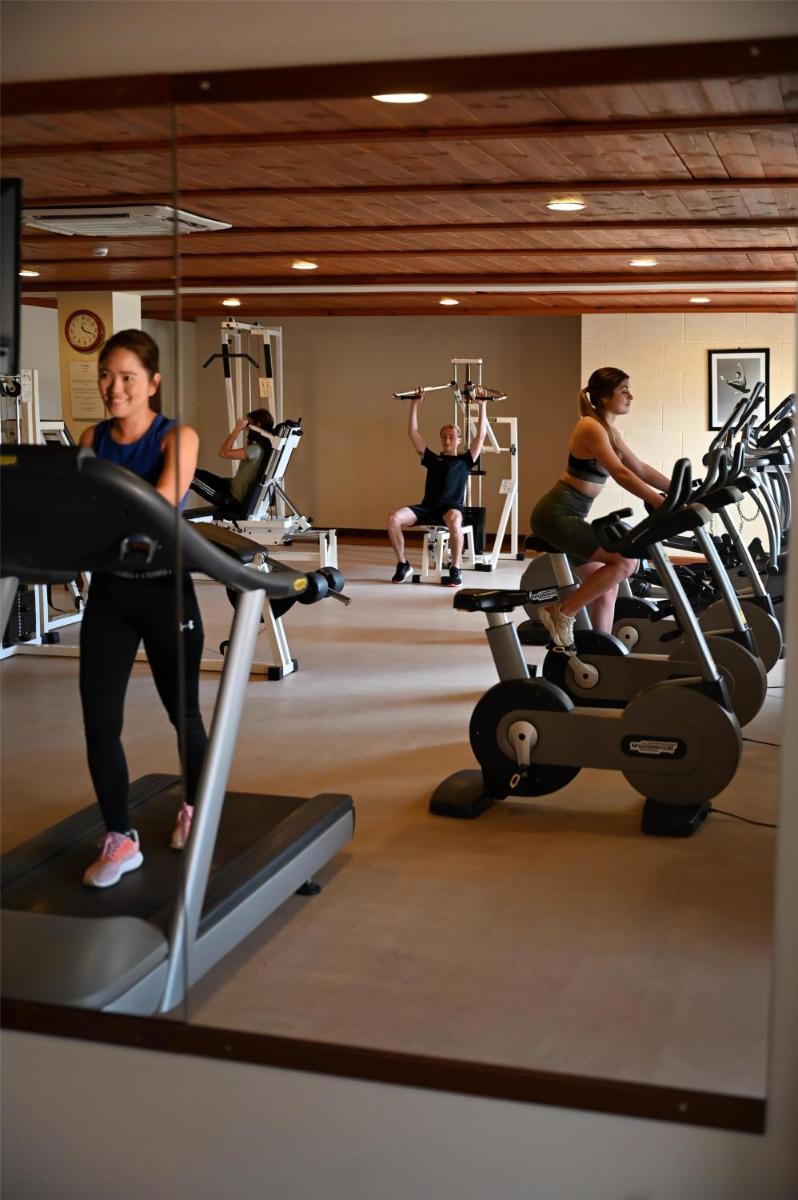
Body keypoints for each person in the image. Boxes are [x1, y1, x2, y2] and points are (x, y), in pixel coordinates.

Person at [77, 329, 208, 888]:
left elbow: (159, 505)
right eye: (107, 375)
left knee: (183, 714)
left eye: (127, 377)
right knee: (100, 721)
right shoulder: (91, 437)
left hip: (163, 591)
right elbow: (78, 511)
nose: (115, 387)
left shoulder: (177, 437)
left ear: (152, 382)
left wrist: (101, 520)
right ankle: (119, 836)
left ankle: (195, 809)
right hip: (111, 594)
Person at [530, 366, 671, 648]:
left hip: (570, 514)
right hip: (556, 515)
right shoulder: (589, 426)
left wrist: (679, 491)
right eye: (624, 390)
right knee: (625, 562)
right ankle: (562, 612)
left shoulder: (609, 431)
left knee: (607, 586)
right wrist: (660, 502)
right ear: (605, 397)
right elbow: (621, 473)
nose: (631, 396)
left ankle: (601, 650)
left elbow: (640, 468)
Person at [388, 388, 488, 587]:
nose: (447, 440)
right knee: (393, 519)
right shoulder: (432, 459)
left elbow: (481, 436)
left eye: (451, 436)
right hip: (428, 508)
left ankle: (455, 569)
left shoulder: (465, 461)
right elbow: (413, 433)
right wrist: (414, 404)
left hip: (451, 509)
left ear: (459, 440)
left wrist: (482, 406)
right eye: (444, 436)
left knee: (454, 519)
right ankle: (403, 564)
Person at [191, 407, 275, 513]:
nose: (247, 429)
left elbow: (223, 452)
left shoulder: (256, 450)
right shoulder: (264, 448)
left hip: (231, 499)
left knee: (188, 477)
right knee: (194, 472)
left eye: (248, 424)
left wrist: (237, 429)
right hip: (230, 486)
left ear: (258, 425)